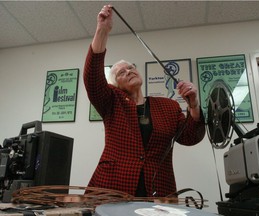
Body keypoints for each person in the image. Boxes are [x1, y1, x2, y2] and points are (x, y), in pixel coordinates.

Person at [83, 5, 206, 198]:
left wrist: (194, 105)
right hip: (112, 187)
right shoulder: (111, 101)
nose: (129, 71)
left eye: (131, 67)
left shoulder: (168, 106)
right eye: (121, 73)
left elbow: (191, 137)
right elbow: (92, 79)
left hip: (159, 189)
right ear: (115, 85)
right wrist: (102, 31)